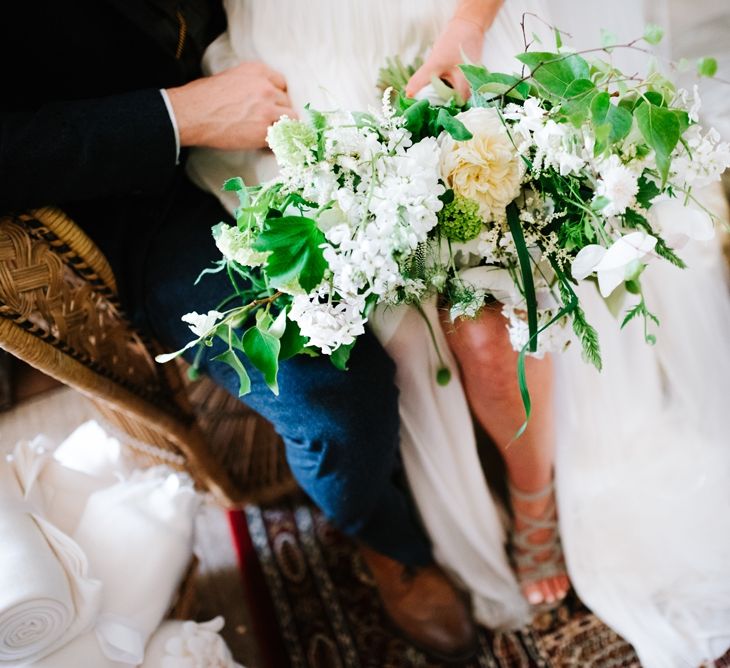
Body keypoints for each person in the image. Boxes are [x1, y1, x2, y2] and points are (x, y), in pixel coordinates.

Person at [191, 1, 730, 665]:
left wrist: (465, 27)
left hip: (445, 29)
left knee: (493, 324)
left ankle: (534, 504)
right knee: (396, 326)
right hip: (299, 59)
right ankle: (446, 514)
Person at [0, 2, 480, 660]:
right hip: (144, 189)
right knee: (334, 393)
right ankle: (385, 538)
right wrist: (179, 116)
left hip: (302, 47)